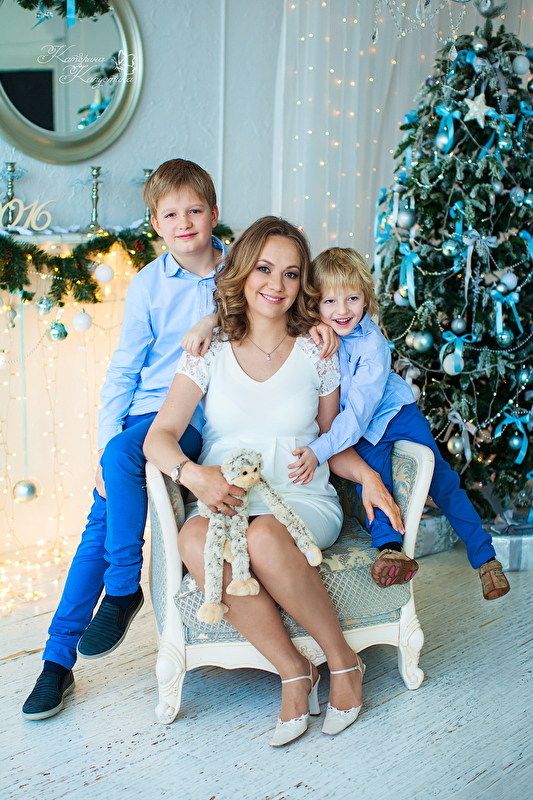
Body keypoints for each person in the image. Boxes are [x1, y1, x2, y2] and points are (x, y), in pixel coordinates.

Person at [143, 216, 404, 746]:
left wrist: (367, 476)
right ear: (242, 271)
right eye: (264, 269)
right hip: (228, 498)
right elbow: (159, 438)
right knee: (194, 537)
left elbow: (332, 439)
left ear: (302, 283)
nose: (276, 285)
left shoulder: (317, 351)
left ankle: (343, 661)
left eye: (290, 273)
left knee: (262, 534)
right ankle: (293, 671)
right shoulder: (209, 350)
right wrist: (194, 476)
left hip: (301, 498)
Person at [22, 159, 229, 721]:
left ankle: (121, 588)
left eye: (194, 210)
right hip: (141, 417)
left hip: (191, 417)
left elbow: (269, 313)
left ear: (213, 213)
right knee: (101, 515)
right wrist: (104, 446)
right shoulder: (147, 285)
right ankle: (57, 662)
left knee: (116, 475)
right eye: (170, 215)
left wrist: (212, 320)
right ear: (155, 224)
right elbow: (124, 370)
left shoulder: (239, 270)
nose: (184, 223)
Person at [289, 246, 510, 601]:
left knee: (442, 479)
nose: (342, 310)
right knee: (374, 480)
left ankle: (486, 558)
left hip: (394, 415)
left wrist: (319, 450)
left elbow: (357, 416)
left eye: (352, 298)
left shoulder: (373, 346)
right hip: (358, 429)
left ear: (365, 297)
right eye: (330, 301)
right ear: (315, 304)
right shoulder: (316, 336)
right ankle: (390, 551)